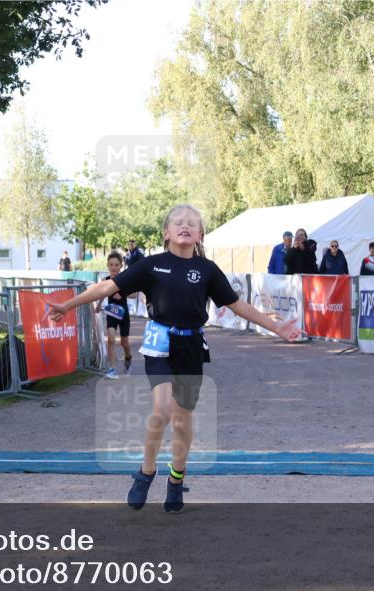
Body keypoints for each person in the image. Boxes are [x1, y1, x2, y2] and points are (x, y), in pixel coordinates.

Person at [48, 204, 301, 513]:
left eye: (192, 223)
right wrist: (68, 305)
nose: (185, 225)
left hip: (192, 346)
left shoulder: (207, 270)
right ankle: (146, 471)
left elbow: (237, 305)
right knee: (162, 409)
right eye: (178, 222)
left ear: (200, 234)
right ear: (166, 233)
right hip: (159, 344)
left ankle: (177, 478)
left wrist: (275, 325)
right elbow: (107, 286)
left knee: (182, 420)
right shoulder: (151, 265)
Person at [95, 251, 132, 379]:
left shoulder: (125, 278)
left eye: (116, 264)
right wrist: (99, 303)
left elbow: (134, 294)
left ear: (121, 266)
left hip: (124, 315)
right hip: (111, 313)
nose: (113, 267)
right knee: (111, 340)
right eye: (111, 264)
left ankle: (128, 359)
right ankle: (112, 369)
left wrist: (122, 294)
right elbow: (103, 293)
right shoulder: (106, 280)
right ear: (108, 266)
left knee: (124, 343)